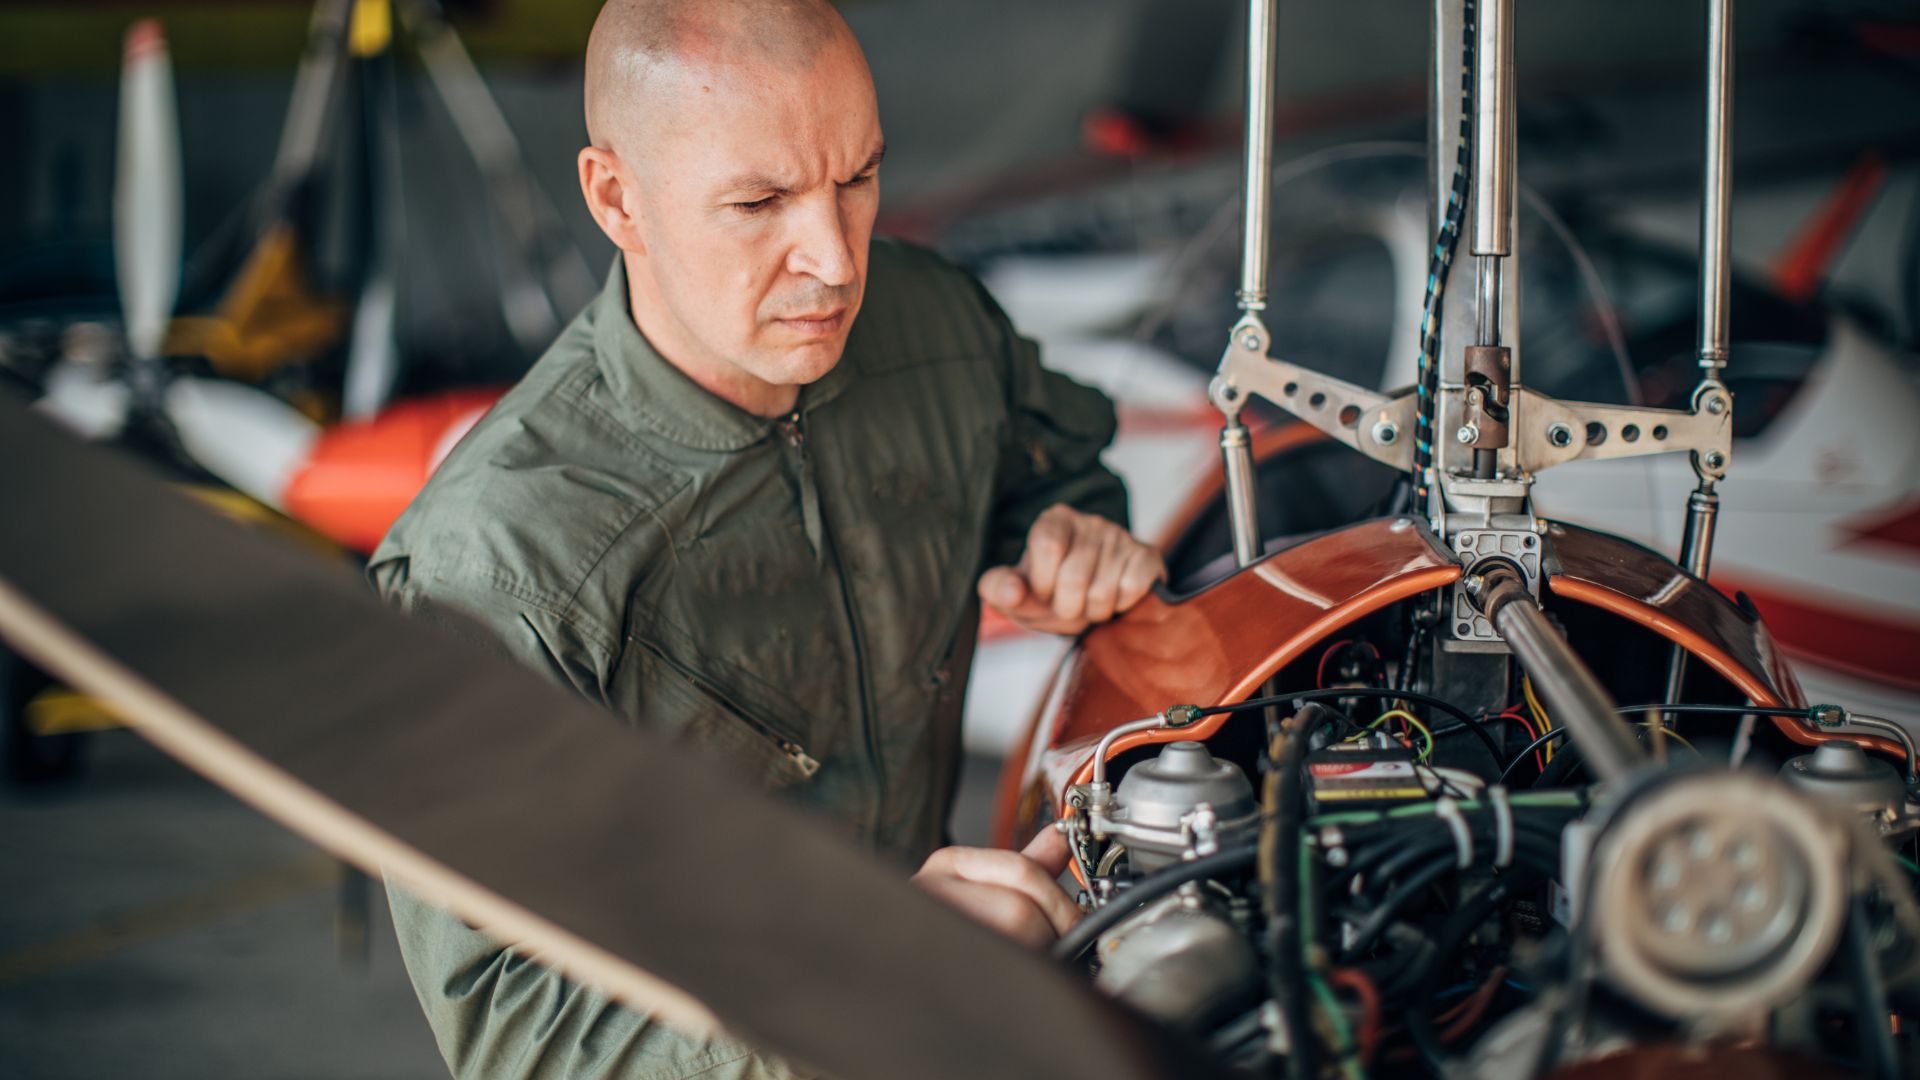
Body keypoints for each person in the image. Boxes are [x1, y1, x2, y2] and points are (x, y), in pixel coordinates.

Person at [370, 1, 1165, 1076]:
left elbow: (1060, 461)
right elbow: (522, 1028)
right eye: (760, 200)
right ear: (618, 199)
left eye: (859, 179)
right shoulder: (499, 567)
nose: (835, 261)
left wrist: (1077, 535)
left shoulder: (937, 330)